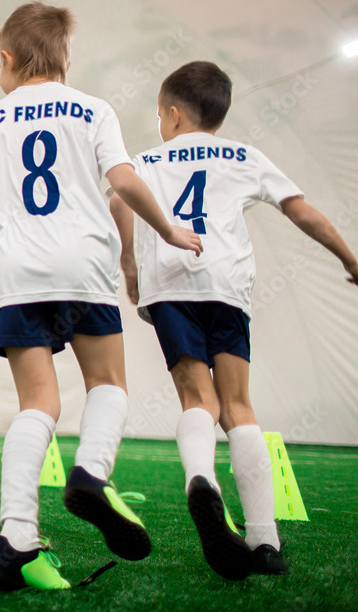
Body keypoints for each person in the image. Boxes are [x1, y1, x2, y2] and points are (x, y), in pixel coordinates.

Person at [0, 1, 203, 591]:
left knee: (37, 403)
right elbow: (122, 181)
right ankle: (91, 471)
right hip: (83, 265)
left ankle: (15, 535)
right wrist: (166, 230)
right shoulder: (93, 109)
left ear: (7, 58)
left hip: (17, 273)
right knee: (107, 384)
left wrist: (4, 228)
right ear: (67, 60)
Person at [109, 60, 358, 580]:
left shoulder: (147, 158)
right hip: (226, 284)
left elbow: (119, 199)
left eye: (160, 114)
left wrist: (129, 264)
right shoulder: (245, 155)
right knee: (239, 405)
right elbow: (300, 209)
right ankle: (265, 540)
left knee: (197, 398)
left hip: (172, 284)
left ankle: (202, 479)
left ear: (173, 114)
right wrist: (349, 258)